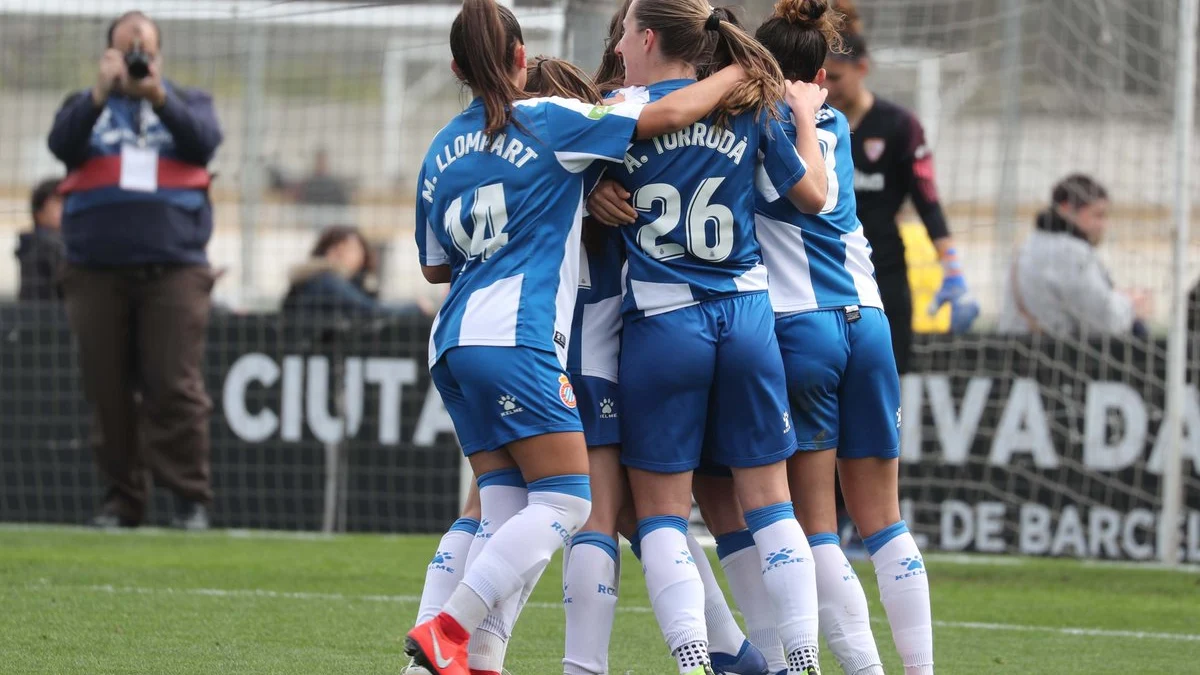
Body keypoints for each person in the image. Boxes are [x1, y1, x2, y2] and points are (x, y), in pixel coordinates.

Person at [402, 2, 752, 674]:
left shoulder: (440, 149)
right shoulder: (550, 121)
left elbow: (433, 264)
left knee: (500, 509)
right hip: (519, 339)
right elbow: (669, 115)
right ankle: (448, 628)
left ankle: (457, 663)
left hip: (451, 344)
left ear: (455, 69)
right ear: (520, 58)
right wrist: (737, 70)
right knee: (569, 499)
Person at [600, 1, 832, 672]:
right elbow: (810, 196)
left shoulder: (624, 114)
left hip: (664, 319)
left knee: (664, 513)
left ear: (646, 38)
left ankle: (696, 661)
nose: (618, 44)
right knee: (772, 502)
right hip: (747, 316)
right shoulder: (750, 106)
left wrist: (594, 195)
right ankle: (803, 659)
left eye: (624, 33)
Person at [753, 2, 934, 673]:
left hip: (803, 326)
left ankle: (863, 668)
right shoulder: (836, 123)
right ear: (821, 74)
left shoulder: (769, 127)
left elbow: (809, 194)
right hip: (871, 320)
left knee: (815, 526)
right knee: (885, 521)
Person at [47, 10, 223, 530]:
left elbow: (204, 142)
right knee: (107, 389)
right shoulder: (84, 105)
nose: (136, 58)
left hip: (175, 268)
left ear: (160, 55)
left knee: (174, 384)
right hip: (94, 270)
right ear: (107, 56)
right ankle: (122, 502)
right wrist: (101, 93)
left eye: (144, 49)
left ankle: (190, 500)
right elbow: (61, 144)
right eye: (126, 50)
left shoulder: (187, 102)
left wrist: (157, 96)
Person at [821, 24, 977, 374]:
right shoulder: (813, 123)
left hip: (884, 271)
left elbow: (928, 201)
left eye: (836, 77)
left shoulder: (900, 126)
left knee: (889, 380)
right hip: (825, 270)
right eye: (822, 77)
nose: (827, 86)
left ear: (862, 69)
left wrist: (952, 270)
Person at [998, 174, 1149, 339]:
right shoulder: (1071, 253)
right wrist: (1131, 305)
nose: (1103, 225)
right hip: (1056, 357)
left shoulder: (1029, 245)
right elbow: (1104, 321)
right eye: (1097, 215)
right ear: (1066, 209)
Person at [283, 224, 430, 318]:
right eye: (337, 249)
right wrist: (415, 308)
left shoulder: (356, 284)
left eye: (349, 249)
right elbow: (369, 311)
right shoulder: (327, 281)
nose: (341, 255)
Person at [16, 178, 65, 302]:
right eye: (59, 202)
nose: (66, 208)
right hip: (49, 317)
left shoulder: (32, 242)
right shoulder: (45, 244)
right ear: (39, 212)